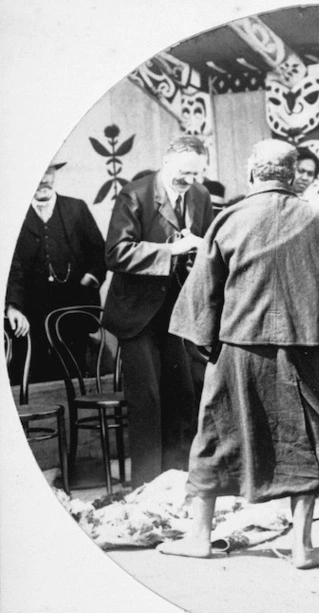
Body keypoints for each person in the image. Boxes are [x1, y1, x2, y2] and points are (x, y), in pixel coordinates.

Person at [158, 139, 319, 568]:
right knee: (305, 444)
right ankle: (301, 547)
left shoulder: (228, 220)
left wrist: (210, 349)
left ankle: (199, 537)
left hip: (240, 352)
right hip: (308, 353)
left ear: (253, 172)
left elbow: (204, 295)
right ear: (293, 176)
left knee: (214, 440)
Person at [102, 135, 214, 488]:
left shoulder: (201, 195)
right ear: (167, 161)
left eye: (195, 174)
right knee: (147, 400)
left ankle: (178, 482)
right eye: (183, 173)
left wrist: (199, 251)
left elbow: (206, 246)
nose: (188, 181)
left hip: (177, 313)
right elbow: (116, 253)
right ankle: (147, 488)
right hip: (137, 315)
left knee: (181, 395)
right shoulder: (134, 194)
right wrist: (173, 251)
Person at [5, 161, 106, 382]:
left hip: (73, 304)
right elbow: (11, 268)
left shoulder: (76, 208)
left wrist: (92, 277)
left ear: (55, 175)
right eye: (37, 172)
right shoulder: (12, 214)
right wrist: (13, 306)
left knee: (74, 367)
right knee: (35, 369)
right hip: (31, 308)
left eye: (48, 171)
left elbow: (99, 252)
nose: (43, 179)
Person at [292, 147, 319, 213]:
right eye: (301, 171)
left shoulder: (318, 206)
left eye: (310, 174)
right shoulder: (274, 198)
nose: (305, 178)